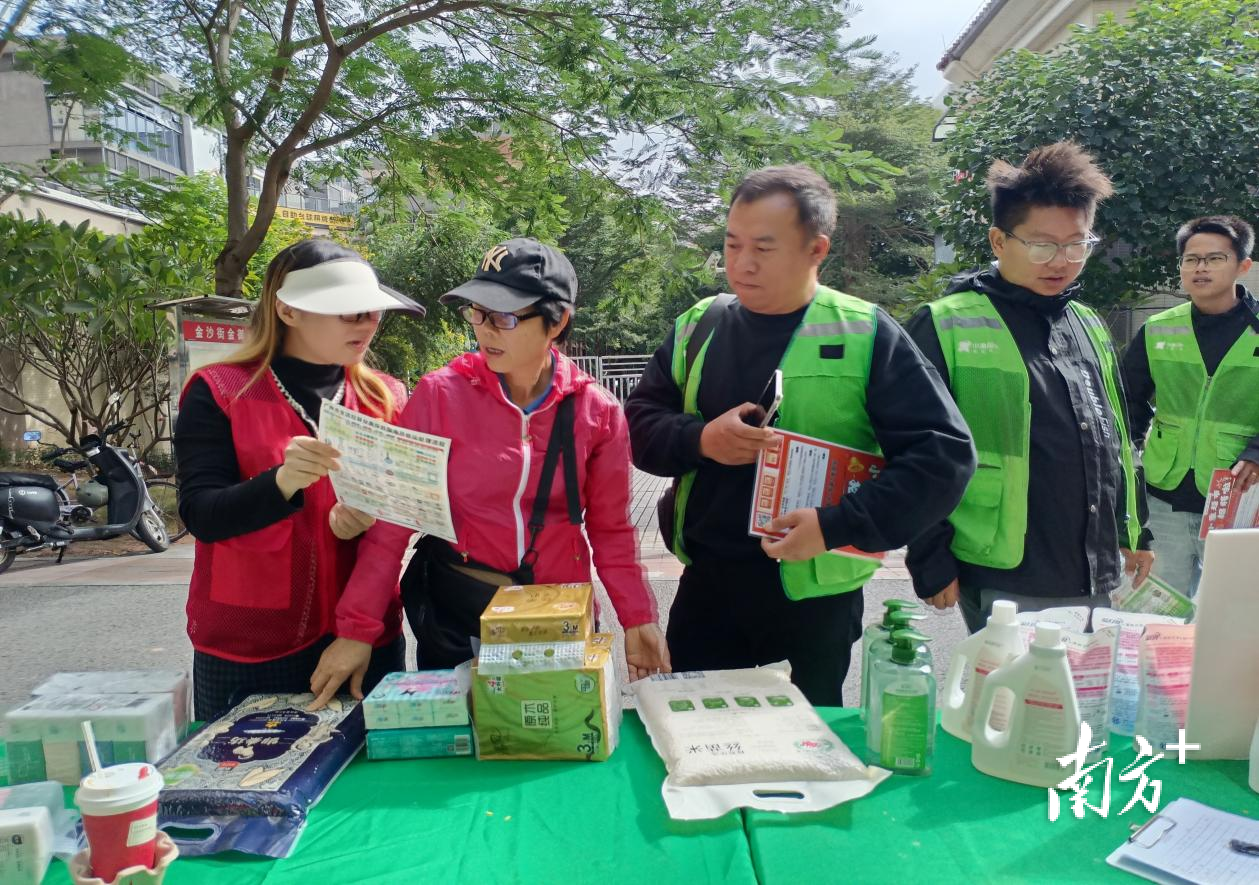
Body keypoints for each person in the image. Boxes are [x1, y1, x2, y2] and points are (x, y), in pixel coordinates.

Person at [623, 165, 975, 706]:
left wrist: (834, 526)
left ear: (817, 249)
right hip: (708, 590)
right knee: (697, 737)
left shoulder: (865, 332)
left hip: (815, 601)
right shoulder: (698, 325)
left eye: (764, 248)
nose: (742, 263)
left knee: (808, 744)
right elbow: (639, 424)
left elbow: (942, 457)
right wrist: (701, 440)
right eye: (732, 244)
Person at [311, 238, 669, 706]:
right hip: (459, 618)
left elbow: (611, 530)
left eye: (504, 317)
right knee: (461, 744)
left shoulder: (596, 411)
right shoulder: (440, 397)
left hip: (556, 619)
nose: (485, 330)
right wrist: (356, 630)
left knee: (557, 735)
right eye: (478, 313)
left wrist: (638, 619)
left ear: (558, 321)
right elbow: (393, 524)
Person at [904, 142, 1153, 633]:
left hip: (1094, 562)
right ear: (999, 241)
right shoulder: (946, 324)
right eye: (1041, 245)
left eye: (1077, 244)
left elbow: (1116, 440)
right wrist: (930, 555)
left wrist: (1134, 530)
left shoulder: (1088, 323)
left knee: (1083, 682)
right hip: (1004, 565)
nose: (1061, 261)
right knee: (1014, 683)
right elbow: (915, 447)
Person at [175, 239, 423, 720]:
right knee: (245, 768)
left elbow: (405, 510)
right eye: (350, 313)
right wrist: (281, 483)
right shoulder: (221, 391)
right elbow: (201, 515)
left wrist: (371, 518)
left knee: (365, 769)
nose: (368, 324)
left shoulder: (385, 397)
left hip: (364, 639)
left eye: (373, 312)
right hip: (247, 647)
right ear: (288, 311)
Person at [1121, 215, 1259, 596]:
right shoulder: (1158, 328)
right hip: (1163, 494)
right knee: (1158, 603)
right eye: (1191, 259)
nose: (1201, 268)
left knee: (1231, 607)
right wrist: (1128, 459)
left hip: (1237, 496)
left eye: (1215, 258)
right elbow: (1127, 400)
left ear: (1243, 266)